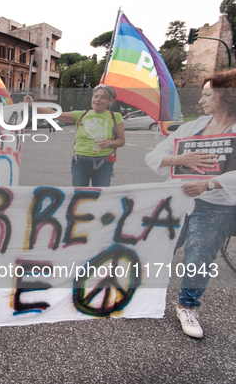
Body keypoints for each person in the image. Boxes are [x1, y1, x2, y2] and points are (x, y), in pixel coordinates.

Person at [145, 69, 236, 339]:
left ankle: (187, 306)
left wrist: (210, 183)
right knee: (159, 246)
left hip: (215, 206)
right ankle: (143, 294)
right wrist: (179, 160)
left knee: (199, 257)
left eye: (207, 94)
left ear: (226, 96)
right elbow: (156, 155)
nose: (201, 100)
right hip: (178, 199)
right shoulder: (192, 128)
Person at [25, 84, 125, 187]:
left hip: (104, 163)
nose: (98, 100)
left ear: (111, 101)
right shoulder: (81, 115)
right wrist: (33, 105)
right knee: (79, 196)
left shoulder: (115, 117)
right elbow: (54, 113)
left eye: (103, 97)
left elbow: (121, 141)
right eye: (95, 96)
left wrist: (110, 142)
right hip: (80, 162)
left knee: (100, 196)